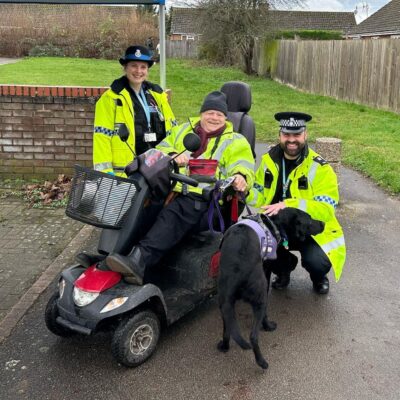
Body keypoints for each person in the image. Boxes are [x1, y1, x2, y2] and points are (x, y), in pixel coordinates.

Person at [106, 91, 255, 285]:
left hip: (209, 203)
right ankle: (116, 253)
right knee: (143, 204)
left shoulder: (235, 140)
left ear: (225, 118)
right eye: (210, 112)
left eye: (219, 114)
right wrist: (173, 154)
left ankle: (140, 261)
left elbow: (243, 165)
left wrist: (240, 177)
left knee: (177, 211)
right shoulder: (184, 130)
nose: (214, 118)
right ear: (201, 114)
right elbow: (158, 150)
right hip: (172, 191)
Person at [247, 112, 346, 294]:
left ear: (305, 135)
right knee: (256, 244)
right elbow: (259, 197)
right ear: (280, 136)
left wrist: (289, 204)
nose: (291, 140)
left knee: (316, 261)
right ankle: (284, 269)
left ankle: (319, 277)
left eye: (296, 135)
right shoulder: (268, 161)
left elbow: (325, 210)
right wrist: (244, 191)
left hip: (311, 229)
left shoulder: (321, 168)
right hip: (279, 228)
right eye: (286, 135)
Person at [93, 45, 176, 176]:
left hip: (156, 169)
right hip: (125, 171)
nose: (138, 71)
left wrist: (173, 154)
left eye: (143, 67)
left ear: (147, 70)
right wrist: (104, 171)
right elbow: (102, 136)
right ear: (125, 67)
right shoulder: (111, 98)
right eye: (133, 65)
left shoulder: (158, 96)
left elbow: (172, 130)